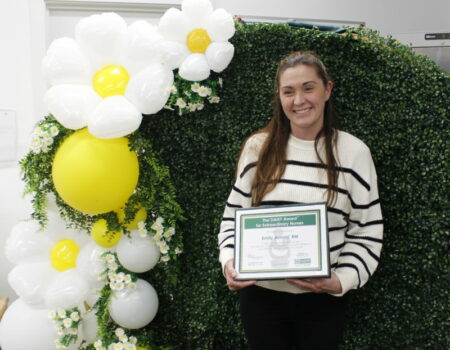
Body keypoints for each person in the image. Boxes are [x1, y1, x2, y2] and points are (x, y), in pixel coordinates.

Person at [217, 51, 383, 350]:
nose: (299, 100)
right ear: (279, 97)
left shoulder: (354, 153)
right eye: (288, 91)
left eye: (309, 88)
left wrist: (341, 280)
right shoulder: (258, 148)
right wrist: (229, 261)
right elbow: (232, 218)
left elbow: (367, 230)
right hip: (261, 300)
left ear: (327, 89)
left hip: (322, 304)